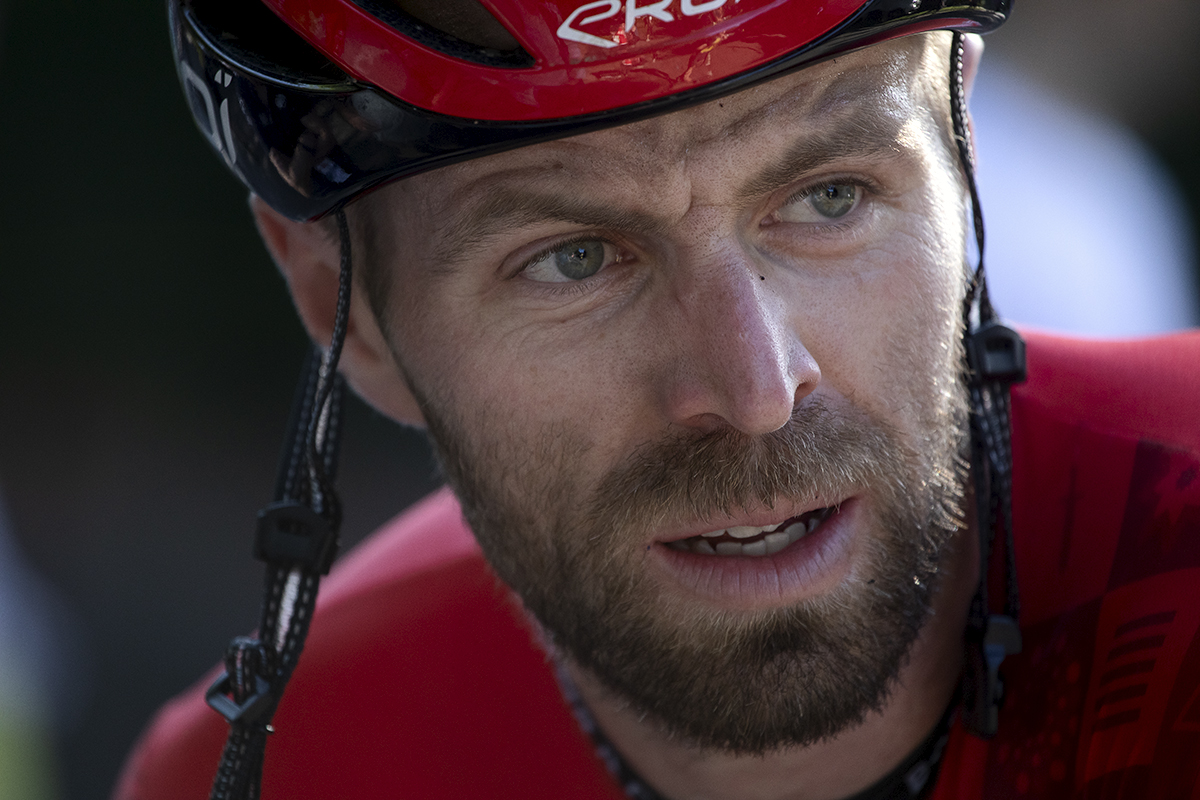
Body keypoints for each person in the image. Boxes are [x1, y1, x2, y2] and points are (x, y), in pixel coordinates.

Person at [116, 1, 1200, 798]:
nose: (755, 391)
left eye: (830, 196)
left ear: (958, 155)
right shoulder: (294, 771)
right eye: (574, 258)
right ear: (333, 300)